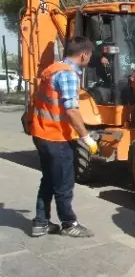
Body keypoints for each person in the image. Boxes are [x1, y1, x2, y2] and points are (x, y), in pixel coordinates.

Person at [30, 36, 98, 238]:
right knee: (64, 183)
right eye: (90, 56)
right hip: (56, 137)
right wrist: (86, 137)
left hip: (41, 133)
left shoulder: (52, 69)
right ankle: (69, 224)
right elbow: (71, 110)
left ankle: (41, 222)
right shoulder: (68, 75)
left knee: (49, 179)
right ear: (84, 54)